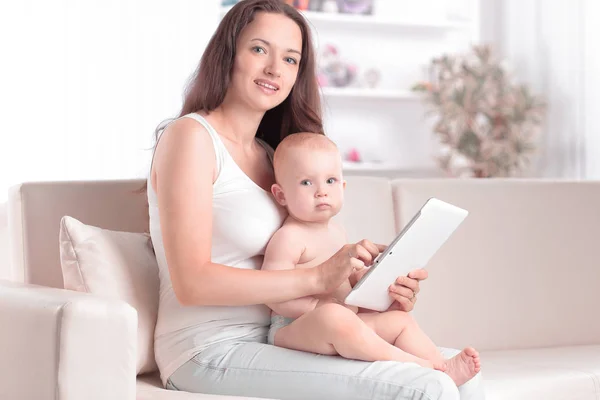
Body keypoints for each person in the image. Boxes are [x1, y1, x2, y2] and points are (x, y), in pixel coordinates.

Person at [147, 0, 485, 398]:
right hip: (206, 348)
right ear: (228, 54)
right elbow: (191, 283)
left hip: (284, 336)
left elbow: (309, 276)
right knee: (428, 383)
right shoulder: (191, 137)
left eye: (290, 59)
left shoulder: (276, 158)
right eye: (259, 49)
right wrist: (317, 277)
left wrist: (370, 286)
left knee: (466, 377)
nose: (275, 68)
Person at [262, 132, 481, 387]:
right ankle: (418, 365)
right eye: (306, 183)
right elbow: (272, 295)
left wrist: (367, 280)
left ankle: (443, 366)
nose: (321, 191)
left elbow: (344, 283)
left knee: (399, 321)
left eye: (330, 180)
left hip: (344, 320)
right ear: (281, 195)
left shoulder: (337, 232)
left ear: (342, 187)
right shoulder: (289, 237)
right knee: (334, 316)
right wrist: (317, 308)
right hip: (293, 328)